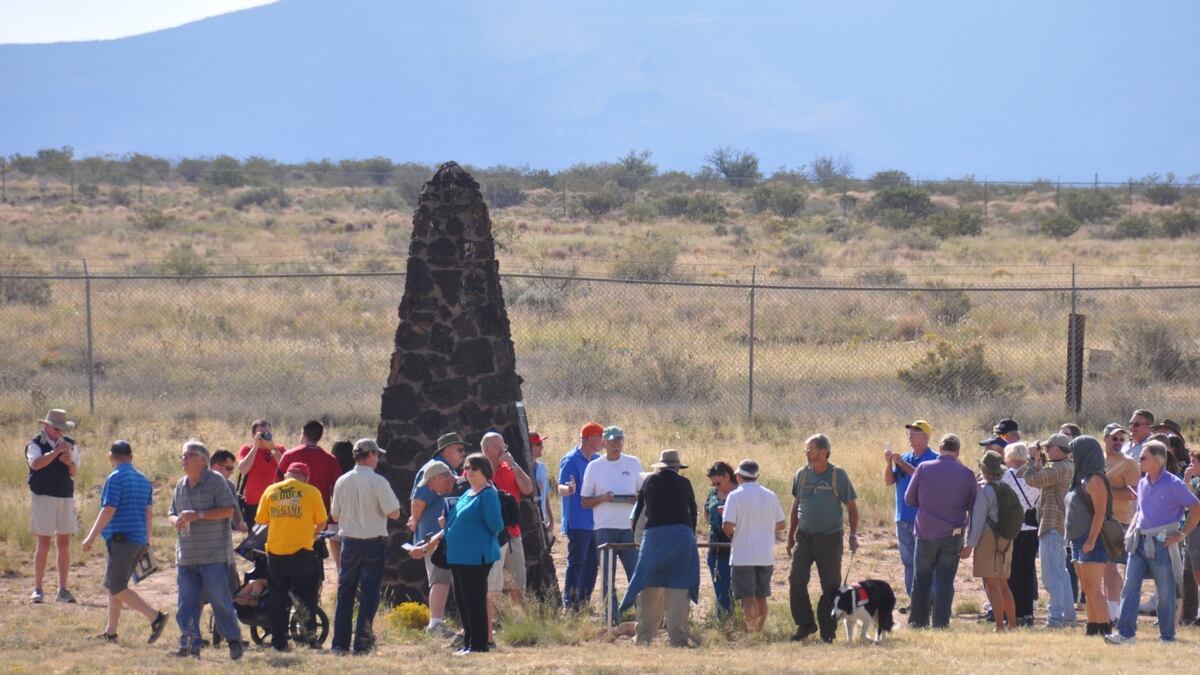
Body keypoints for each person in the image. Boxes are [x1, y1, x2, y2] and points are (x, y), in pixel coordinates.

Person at [1107, 440, 1200, 644]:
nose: (1139, 461)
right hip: (1139, 542)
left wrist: (1181, 534)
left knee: (1165, 590)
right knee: (1130, 587)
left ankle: (1167, 637)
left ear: (1157, 461)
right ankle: (1125, 634)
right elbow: (1140, 511)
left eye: (1143, 458)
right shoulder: (1142, 482)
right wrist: (1131, 531)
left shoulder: (1174, 484)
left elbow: (1196, 507)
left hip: (1162, 543)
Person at [81, 440, 168, 645]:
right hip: (137, 539)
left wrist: (91, 536)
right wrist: (147, 539)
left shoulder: (115, 477)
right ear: (131, 457)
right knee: (113, 585)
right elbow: (148, 511)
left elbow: (109, 509)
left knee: (118, 587)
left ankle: (155, 618)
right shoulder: (143, 479)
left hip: (122, 540)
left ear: (111, 458)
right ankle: (111, 632)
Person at [168, 439, 244, 659]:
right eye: (183, 455)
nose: (184, 459)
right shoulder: (181, 484)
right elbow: (171, 512)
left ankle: (233, 641)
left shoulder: (216, 481)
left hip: (213, 556)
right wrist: (176, 521)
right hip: (186, 556)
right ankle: (190, 644)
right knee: (187, 603)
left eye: (188, 455)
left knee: (220, 601)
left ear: (202, 460)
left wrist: (199, 515)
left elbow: (228, 510)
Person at [330, 439, 401, 655]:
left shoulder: (342, 481)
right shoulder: (378, 482)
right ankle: (362, 643)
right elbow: (394, 513)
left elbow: (335, 515)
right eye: (377, 455)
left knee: (346, 593)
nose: (377, 459)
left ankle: (340, 644)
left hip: (349, 542)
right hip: (372, 543)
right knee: (369, 593)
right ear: (370, 455)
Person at [622, 449, 699, 647]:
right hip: (682, 536)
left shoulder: (649, 482)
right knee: (679, 586)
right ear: (677, 467)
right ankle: (678, 637)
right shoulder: (684, 483)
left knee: (649, 586)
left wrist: (638, 538)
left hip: (655, 536)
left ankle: (644, 636)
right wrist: (689, 533)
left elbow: (639, 511)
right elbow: (693, 510)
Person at [788, 433, 859, 642]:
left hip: (829, 538)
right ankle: (805, 624)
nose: (806, 453)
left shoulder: (838, 475)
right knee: (796, 580)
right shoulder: (801, 474)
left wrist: (854, 534)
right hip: (804, 537)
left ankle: (828, 631)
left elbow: (852, 508)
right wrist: (790, 536)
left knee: (830, 586)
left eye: (810, 449)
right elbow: (795, 506)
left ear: (823, 452)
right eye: (806, 450)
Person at [905, 434, 976, 629]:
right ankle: (941, 623)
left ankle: (917, 622)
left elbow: (909, 499)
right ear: (958, 451)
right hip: (953, 535)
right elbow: (973, 505)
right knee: (945, 580)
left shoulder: (924, 468)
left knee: (922, 579)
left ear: (940, 448)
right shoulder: (967, 473)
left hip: (926, 532)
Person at [256, 461, 328, 652]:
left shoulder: (271, 490)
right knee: (307, 597)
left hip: (276, 554)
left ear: (287, 475)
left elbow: (261, 520)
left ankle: (279, 642)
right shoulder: (311, 492)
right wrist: (313, 535)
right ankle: (309, 638)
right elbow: (321, 521)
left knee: (277, 600)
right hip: (302, 554)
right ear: (306, 477)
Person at [581, 425, 643, 623]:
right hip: (604, 528)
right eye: (611, 440)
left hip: (629, 528)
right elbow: (584, 501)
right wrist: (603, 498)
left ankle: (644, 616)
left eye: (619, 439)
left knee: (636, 573)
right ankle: (611, 618)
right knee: (608, 577)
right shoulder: (594, 466)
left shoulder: (633, 463)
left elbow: (643, 494)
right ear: (604, 443)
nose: (616, 444)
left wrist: (636, 499)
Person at [443, 453, 503, 655]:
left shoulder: (488, 494)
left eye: (473, 468)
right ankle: (468, 643)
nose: (468, 472)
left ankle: (479, 645)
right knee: (462, 601)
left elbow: (496, 525)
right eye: (466, 468)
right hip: (458, 556)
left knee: (474, 601)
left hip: (476, 556)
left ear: (484, 471)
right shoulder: (467, 494)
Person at [409, 432, 466, 636]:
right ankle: (435, 624)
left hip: (442, 534)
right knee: (440, 578)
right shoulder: (435, 470)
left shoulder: (447, 472)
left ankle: (438, 622)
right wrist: (415, 522)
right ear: (446, 450)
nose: (462, 454)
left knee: (442, 578)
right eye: (459, 450)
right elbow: (417, 502)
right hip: (434, 534)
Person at [1020, 433, 1076, 629]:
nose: (1045, 451)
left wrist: (1030, 458)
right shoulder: (1066, 466)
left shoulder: (1058, 467)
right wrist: (1037, 461)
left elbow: (1032, 480)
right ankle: (1067, 615)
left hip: (1052, 525)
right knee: (1061, 573)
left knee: (1051, 575)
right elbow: (1038, 477)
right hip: (1059, 525)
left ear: (1058, 449)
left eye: (1048, 448)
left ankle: (1055, 618)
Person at [722, 459, 785, 633]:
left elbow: (727, 526)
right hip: (764, 555)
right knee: (761, 596)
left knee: (748, 597)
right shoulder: (770, 495)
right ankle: (759, 631)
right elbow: (781, 524)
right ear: (757, 476)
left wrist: (735, 533)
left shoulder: (734, 496)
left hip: (743, 554)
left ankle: (751, 632)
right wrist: (764, 527)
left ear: (738, 476)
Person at [481, 431, 533, 642]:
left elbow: (528, 488)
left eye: (504, 446)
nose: (503, 450)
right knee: (490, 584)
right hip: (488, 535)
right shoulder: (476, 469)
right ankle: (488, 625)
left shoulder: (509, 467)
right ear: (486, 449)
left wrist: (514, 465)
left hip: (512, 534)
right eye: (497, 447)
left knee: (517, 580)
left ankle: (518, 624)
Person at [27, 408, 81, 604]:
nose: (60, 432)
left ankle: (63, 589)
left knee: (64, 542)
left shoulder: (70, 445)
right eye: (57, 429)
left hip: (65, 496)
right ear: (46, 426)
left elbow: (74, 471)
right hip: (43, 497)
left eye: (62, 429)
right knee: (43, 542)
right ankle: (38, 589)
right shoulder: (35, 444)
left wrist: (68, 463)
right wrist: (56, 452)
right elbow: (36, 464)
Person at [883, 420, 938, 605]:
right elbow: (889, 481)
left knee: (925, 562)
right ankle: (914, 600)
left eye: (915, 432)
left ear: (926, 437)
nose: (910, 436)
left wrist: (902, 463)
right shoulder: (905, 457)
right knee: (908, 562)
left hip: (923, 519)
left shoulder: (934, 458)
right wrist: (889, 463)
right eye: (909, 433)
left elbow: (926, 479)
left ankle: (929, 600)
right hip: (902, 516)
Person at [1065, 436, 1113, 636]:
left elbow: (1100, 513)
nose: (1070, 456)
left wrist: (1091, 540)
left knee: (1093, 589)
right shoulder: (1080, 478)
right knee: (1087, 588)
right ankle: (1092, 628)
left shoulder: (1095, 479)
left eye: (1073, 452)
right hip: (1077, 540)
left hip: (1092, 539)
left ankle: (1105, 630)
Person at [964, 451, 1016, 632]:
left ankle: (999, 625)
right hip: (1006, 539)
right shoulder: (1007, 488)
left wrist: (970, 545)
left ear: (984, 470)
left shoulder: (985, 491)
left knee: (992, 584)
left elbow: (977, 521)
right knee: (1003, 584)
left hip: (988, 539)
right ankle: (1012, 623)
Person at [559, 422, 602, 610]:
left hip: (596, 522)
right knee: (577, 563)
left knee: (593, 564)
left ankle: (582, 604)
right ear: (591, 439)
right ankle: (569, 604)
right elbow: (560, 487)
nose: (603, 442)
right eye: (601, 437)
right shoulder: (571, 460)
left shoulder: (598, 460)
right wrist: (568, 489)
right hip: (577, 522)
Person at [1001, 442, 1040, 627]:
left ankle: (1014, 613)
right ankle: (1028, 613)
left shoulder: (1006, 476)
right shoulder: (1034, 476)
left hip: (1013, 529)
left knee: (1013, 573)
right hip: (1033, 529)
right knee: (1027, 571)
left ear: (1008, 457)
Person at [1102, 423, 1138, 621]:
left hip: (1118, 520)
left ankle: (1115, 611)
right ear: (1105, 438)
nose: (1118, 442)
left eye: (1121, 439)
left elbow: (1133, 493)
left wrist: (1106, 491)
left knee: (1111, 565)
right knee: (1099, 566)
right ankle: (1106, 608)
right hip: (1097, 518)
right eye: (1114, 438)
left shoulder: (1128, 463)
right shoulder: (1098, 459)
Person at [235, 419, 286, 529]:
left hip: (276, 501)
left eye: (267, 433)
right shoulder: (247, 449)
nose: (265, 437)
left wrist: (272, 448)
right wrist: (255, 447)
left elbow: (285, 468)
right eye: (261, 434)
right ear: (254, 435)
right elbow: (243, 469)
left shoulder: (278, 449)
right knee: (255, 538)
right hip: (254, 502)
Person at [704, 461, 737, 620]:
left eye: (718, 482)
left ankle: (736, 619)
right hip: (715, 547)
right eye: (713, 483)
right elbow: (706, 512)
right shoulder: (712, 494)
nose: (716, 486)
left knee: (734, 588)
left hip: (735, 547)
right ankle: (723, 621)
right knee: (720, 589)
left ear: (727, 476)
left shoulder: (739, 492)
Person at [326, 440, 356, 576]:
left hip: (335, 521)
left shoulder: (332, 472)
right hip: (354, 522)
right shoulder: (355, 475)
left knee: (339, 566)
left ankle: (340, 590)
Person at [529, 432, 555, 544]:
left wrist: (552, 522)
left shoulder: (542, 467)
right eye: (538, 444)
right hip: (529, 522)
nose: (542, 447)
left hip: (542, 522)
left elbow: (546, 496)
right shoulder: (522, 469)